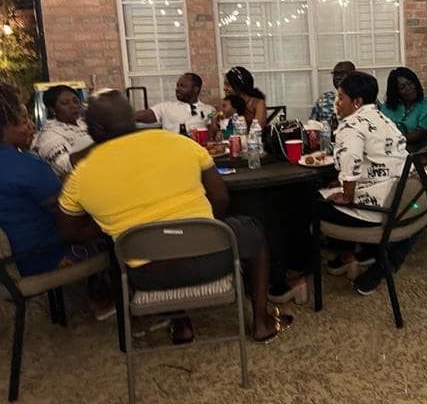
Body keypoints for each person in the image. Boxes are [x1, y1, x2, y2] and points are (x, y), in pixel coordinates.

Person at [56, 90, 290, 342]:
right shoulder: (179, 143)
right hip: (212, 261)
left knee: (135, 245)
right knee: (253, 229)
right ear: (131, 118)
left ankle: (181, 324)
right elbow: (221, 198)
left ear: (97, 129)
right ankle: (261, 323)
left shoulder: (80, 175)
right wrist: (205, 229)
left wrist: (110, 223)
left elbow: (69, 232)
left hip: (147, 276)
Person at [0, 84, 113, 317]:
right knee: (118, 229)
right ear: (5, 126)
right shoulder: (25, 165)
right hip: (42, 257)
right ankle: (108, 299)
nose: (31, 126)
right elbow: (69, 215)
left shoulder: (15, 162)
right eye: (23, 120)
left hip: (10, 262)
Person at [316, 71, 409, 295]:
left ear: (356, 101)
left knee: (309, 202)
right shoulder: (383, 118)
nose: (336, 103)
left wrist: (346, 195)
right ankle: (348, 257)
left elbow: (351, 164)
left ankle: (299, 273)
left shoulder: (351, 126)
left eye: (341, 98)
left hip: (375, 211)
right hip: (399, 201)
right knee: (330, 189)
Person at [31, 85, 93, 177]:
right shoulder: (48, 135)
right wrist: (98, 145)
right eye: (65, 103)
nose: (73, 106)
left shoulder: (85, 124)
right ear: (52, 109)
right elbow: (63, 166)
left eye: (75, 101)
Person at [381, 67, 427, 151]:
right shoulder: (387, 107)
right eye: (402, 87)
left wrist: (391, 141)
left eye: (410, 83)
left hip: (421, 151)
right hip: (391, 150)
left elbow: (416, 137)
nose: (408, 88)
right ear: (395, 91)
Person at [134, 73, 214, 133]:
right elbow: (142, 115)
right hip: (172, 148)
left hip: (197, 149)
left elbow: (214, 131)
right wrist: (127, 116)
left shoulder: (209, 110)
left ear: (195, 89)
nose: (177, 89)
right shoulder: (166, 107)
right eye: (177, 86)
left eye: (182, 86)